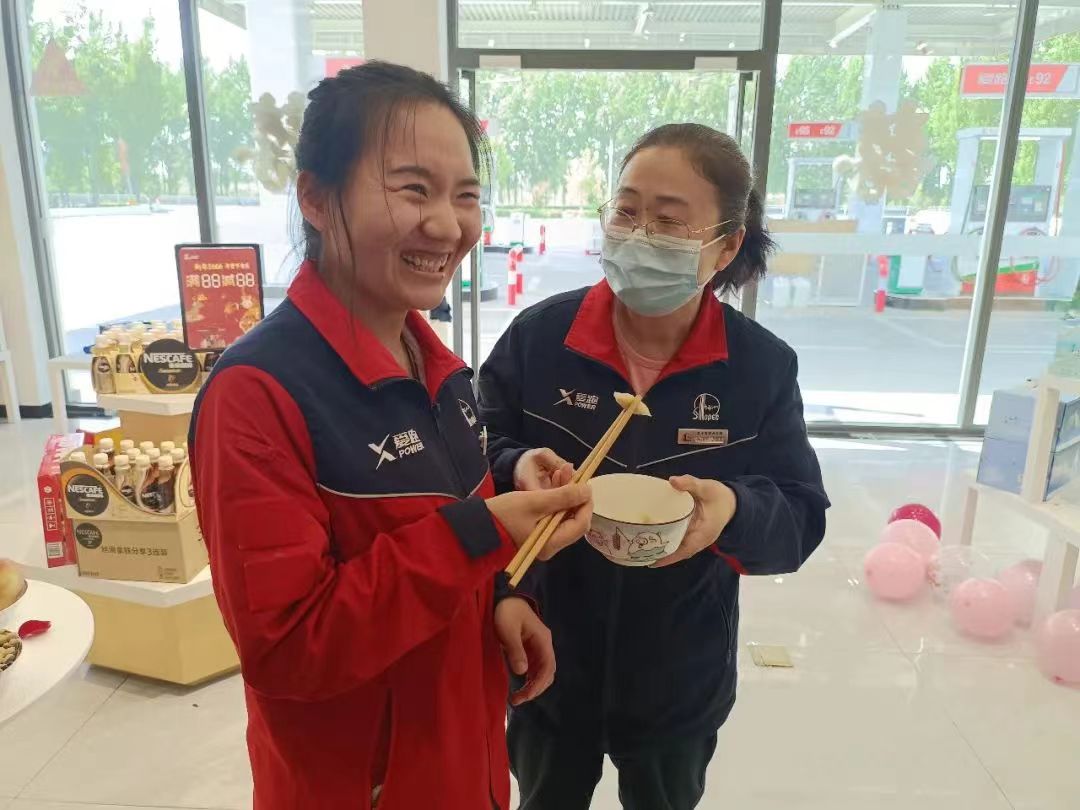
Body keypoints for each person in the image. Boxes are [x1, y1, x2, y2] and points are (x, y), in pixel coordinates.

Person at [189, 62, 592, 810]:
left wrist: (505, 594)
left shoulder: (438, 367)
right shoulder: (257, 394)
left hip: (464, 761)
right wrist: (482, 533)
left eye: (466, 195)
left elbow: (443, 539)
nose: (447, 225)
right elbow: (288, 647)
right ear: (316, 197)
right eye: (413, 189)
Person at [478, 123, 830, 809]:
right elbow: (471, 458)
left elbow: (800, 516)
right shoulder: (540, 340)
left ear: (726, 246)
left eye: (669, 221)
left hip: (679, 677)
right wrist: (517, 473)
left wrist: (732, 512)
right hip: (545, 652)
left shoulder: (758, 368)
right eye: (626, 210)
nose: (639, 236)